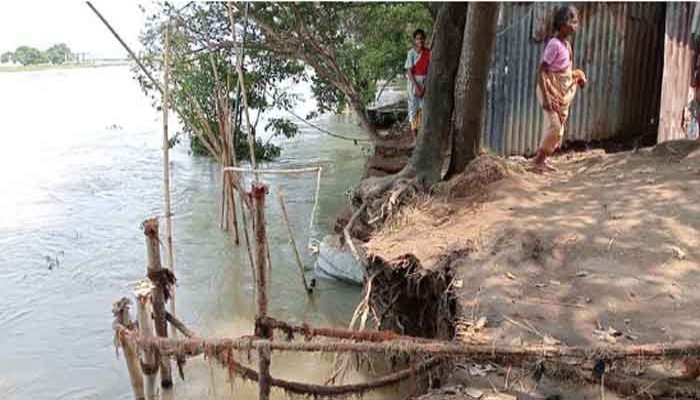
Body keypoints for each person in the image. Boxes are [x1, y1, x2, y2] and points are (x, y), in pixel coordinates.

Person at [532, 6, 587, 172]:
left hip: (559, 93)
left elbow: (564, 72)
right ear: (563, 24)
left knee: (558, 132)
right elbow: (542, 70)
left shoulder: (567, 45)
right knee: (555, 127)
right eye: (573, 22)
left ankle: (543, 159)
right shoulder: (554, 45)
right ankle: (537, 161)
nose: (576, 26)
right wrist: (547, 97)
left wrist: (578, 76)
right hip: (548, 91)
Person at [405, 29, 431, 136]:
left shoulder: (429, 53)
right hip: (413, 83)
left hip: (425, 82)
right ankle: (414, 137)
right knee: (413, 109)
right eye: (417, 39)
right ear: (414, 40)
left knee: (424, 108)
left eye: (422, 38)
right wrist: (417, 87)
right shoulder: (411, 53)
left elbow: (430, 70)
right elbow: (409, 72)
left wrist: (424, 87)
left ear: (424, 39)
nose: (420, 41)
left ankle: (422, 135)